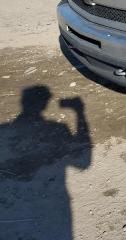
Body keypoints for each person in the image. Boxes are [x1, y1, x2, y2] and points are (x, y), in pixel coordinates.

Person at [0, 85, 92, 240]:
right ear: (46, 103)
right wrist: (79, 111)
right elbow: (84, 163)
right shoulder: (59, 128)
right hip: (53, 214)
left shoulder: (3, 130)